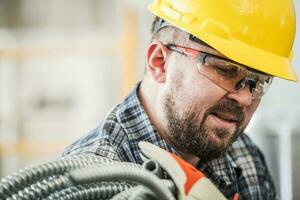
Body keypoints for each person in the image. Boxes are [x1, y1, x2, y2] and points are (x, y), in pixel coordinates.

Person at [63, 0, 297, 199]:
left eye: (259, 82)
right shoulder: (89, 183)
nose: (245, 97)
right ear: (159, 63)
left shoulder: (245, 157)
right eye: (225, 69)